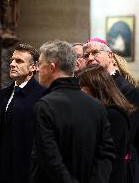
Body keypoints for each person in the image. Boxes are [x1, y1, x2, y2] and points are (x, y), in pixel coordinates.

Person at [30, 40, 115, 183]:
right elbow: (107, 153)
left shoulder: (44, 106)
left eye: (40, 64)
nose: (37, 69)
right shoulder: (96, 105)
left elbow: (50, 159)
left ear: (52, 68)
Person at [83, 38, 139, 183]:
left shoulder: (127, 89)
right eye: (86, 55)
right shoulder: (91, 87)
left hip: (119, 166)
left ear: (110, 55)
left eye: (95, 53)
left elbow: (127, 135)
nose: (90, 58)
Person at [0, 43, 45, 183]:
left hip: (28, 171)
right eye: (12, 60)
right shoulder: (3, 94)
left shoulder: (42, 95)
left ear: (33, 67)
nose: (12, 64)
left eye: (19, 61)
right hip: (3, 169)